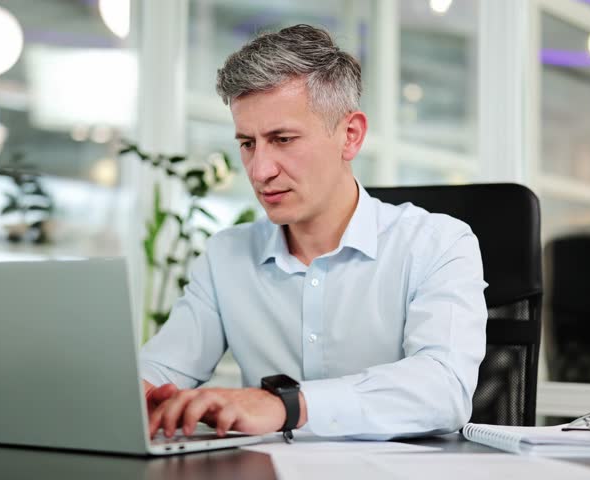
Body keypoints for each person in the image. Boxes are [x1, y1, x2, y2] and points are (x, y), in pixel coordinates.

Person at [140, 24, 487, 441]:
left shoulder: (438, 244)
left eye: (283, 139)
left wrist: (288, 405)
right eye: (247, 143)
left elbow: (443, 389)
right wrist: (136, 392)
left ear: (350, 136)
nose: (259, 171)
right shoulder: (225, 256)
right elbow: (160, 369)